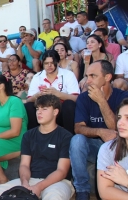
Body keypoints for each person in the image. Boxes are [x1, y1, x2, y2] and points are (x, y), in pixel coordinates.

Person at [0, 94, 74, 200]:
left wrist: (38, 187)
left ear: (55, 112)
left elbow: (62, 171)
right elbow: (24, 165)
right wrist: (25, 184)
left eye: (44, 109)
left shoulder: (66, 136)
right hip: (30, 179)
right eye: (38, 109)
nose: (39, 112)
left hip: (57, 181)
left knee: (54, 197)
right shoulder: (29, 135)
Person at [69, 60, 128, 200]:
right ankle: (82, 191)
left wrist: (101, 101)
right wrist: (100, 132)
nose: (88, 81)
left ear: (107, 77)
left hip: (119, 145)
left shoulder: (122, 97)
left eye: (93, 76)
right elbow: (78, 128)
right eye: (87, 76)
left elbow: (119, 129)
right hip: (94, 146)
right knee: (76, 140)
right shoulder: (84, 98)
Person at [26, 50, 79, 134]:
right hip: (43, 109)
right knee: (29, 106)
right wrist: (38, 95)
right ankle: (34, 136)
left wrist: (58, 94)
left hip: (61, 111)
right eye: (46, 63)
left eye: (52, 63)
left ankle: (69, 136)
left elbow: (76, 98)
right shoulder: (37, 77)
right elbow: (29, 100)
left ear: (58, 62)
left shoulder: (68, 74)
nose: (49, 66)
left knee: (69, 104)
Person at [97, 98, 128, 199]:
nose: (120, 123)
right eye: (119, 117)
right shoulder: (108, 149)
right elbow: (105, 192)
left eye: (127, 118)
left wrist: (126, 180)